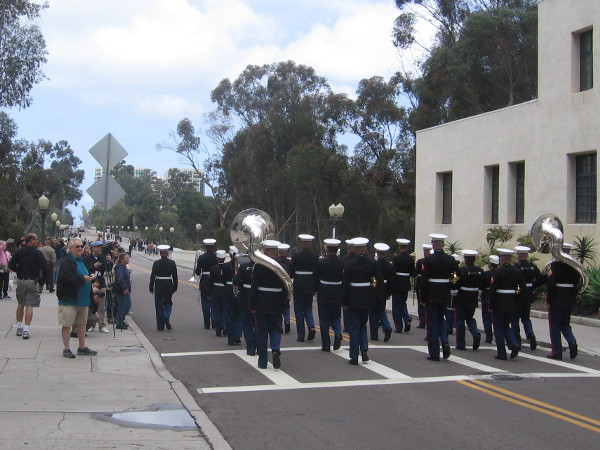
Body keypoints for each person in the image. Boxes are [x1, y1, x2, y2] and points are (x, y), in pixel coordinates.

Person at [343, 237, 383, 365]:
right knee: (362, 325)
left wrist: (344, 301)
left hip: (353, 298)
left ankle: (354, 356)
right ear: (365, 249)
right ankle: (364, 350)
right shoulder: (372, 263)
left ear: (354, 249)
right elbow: (380, 279)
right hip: (367, 298)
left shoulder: (349, 264)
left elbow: (345, 284)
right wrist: (371, 286)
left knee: (354, 327)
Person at [56, 238, 98, 358]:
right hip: (70, 299)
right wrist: (82, 278)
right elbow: (66, 277)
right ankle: (66, 348)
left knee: (81, 324)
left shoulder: (81, 260)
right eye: (77, 246)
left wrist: (91, 276)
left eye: (81, 246)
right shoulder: (66, 261)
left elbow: (83, 274)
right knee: (67, 324)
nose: (80, 248)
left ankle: (82, 347)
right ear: (71, 248)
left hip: (83, 300)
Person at [250, 240, 287, 369]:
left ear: (265, 251)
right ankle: (275, 349)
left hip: (261, 302)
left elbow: (253, 287)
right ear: (276, 251)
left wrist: (252, 305)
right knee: (276, 328)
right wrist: (284, 302)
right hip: (277, 302)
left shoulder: (259, 266)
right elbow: (287, 287)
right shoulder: (282, 266)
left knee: (262, 331)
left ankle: (263, 361)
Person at [420, 233, 458, 361]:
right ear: (443, 245)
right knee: (441, 320)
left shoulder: (428, 260)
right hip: (445, 294)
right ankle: (445, 341)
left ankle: (434, 353)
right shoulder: (450, 260)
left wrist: (423, 298)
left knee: (432, 323)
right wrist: (452, 286)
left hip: (432, 295)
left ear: (433, 245)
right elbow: (460, 275)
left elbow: (424, 280)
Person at [8, 234, 48, 339]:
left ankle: (19, 327)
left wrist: (19, 271)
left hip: (21, 280)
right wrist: (42, 280)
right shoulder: (37, 253)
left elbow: (11, 265)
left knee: (20, 304)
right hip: (32, 281)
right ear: (30, 241)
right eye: (36, 239)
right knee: (30, 305)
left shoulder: (19, 252)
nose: (38, 241)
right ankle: (26, 329)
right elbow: (44, 267)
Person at [489, 248, 526, 360]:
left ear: (502, 259)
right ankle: (513, 343)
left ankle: (502, 353)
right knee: (506, 325)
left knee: (499, 327)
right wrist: (516, 297)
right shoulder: (517, 272)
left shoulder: (497, 272)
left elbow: (493, 289)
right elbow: (523, 288)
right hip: (512, 302)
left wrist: (491, 305)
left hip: (499, 302)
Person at [546, 243, 580, 360]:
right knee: (565, 323)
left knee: (554, 325)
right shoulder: (573, 266)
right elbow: (578, 281)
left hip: (557, 299)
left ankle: (557, 352)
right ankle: (572, 342)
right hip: (569, 298)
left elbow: (551, 284)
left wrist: (549, 300)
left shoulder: (555, 266)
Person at [313, 239, 344, 352]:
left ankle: (326, 344)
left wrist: (315, 290)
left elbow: (315, 276)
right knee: (336, 316)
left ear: (327, 249)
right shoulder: (342, 263)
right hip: (337, 292)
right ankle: (338, 333)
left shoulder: (321, 262)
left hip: (324, 291)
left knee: (324, 318)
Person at [512, 246, 545, 351]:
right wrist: (532, 286)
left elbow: (513, 281)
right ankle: (530, 334)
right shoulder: (532, 266)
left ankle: (517, 340)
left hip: (518, 295)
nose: (517, 256)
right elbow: (541, 279)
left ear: (520, 255)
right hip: (528, 295)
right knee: (526, 318)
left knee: (515, 318)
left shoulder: (516, 266)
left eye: (518, 254)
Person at [289, 234, 319, 342]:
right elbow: (317, 274)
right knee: (308, 308)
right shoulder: (315, 257)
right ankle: (311, 326)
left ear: (302, 244)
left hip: (299, 285)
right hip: (310, 285)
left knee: (298, 310)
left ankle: (301, 335)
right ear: (310, 244)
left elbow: (291, 272)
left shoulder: (296, 256)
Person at [455, 250, 484, 350]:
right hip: (473, 296)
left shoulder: (462, 270)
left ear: (466, 260)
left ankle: (461, 343)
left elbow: (457, 282)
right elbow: (483, 283)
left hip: (462, 296)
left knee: (460, 319)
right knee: (470, 318)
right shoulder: (480, 270)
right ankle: (475, 333)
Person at [149, 245, 178, 331]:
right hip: (168, 284)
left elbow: (153, 276)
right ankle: (166, 316)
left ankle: (160, 326)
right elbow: (175, 276)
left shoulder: (156, 263)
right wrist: (175, 286)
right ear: (167, 253)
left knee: (158, 305)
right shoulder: (172, 263)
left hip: (159, 285)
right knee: (168, 303)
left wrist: (151, 286)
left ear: (160, 254)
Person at [83, 241, 110, 333]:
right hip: (90, 283)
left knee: (101, 306)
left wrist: (109, 261)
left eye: (101, 248)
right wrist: (93, 267)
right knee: (91, 306)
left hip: (101, 283)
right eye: (98, 247)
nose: (100, 249)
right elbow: (85, 270)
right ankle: (91, 324)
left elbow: (108, 269)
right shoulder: (87, 258)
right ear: (93, 248)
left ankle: (102, 325)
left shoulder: (102, 258)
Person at [234, 253, 257, 356]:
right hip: (258, 297)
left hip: (245, 298)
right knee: (258, 325)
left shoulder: (243, 267)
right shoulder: (262, 267)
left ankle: (251, 347)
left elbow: (236, 280)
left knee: (247, 324)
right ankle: (260, 346)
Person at [370, 243, 393, 342]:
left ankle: (374, 335)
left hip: (374, 289)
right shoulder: (389, 265)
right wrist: (389, 293)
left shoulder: (373, 264)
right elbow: (391, 280)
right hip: (384, 290)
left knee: (373, 312)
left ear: (377, 253)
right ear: (385, 253)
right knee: (381, 311)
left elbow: (371, 278)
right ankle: (386, 326)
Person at [391, 238, 415, 333]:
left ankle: (399, 326)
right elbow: (413, 273)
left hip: (397, 283)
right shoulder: (410, 259)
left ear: (399, 247)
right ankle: (407, 318)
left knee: (396, 305)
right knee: (402, 303)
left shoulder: (396, 258)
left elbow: (393, 272)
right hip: (406, 283)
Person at [195, 238, 217, 329]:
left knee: (205, 303)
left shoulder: (201, 257)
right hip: (215, 281)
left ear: (205, 247)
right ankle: (214, 319)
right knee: (214, 302)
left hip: (204, 280)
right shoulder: (217, 257)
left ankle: (207, 323)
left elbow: (197, 272)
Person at [413, 244, 432, 328]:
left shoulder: (420, 262)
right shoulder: (431, 261)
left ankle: (422, 321)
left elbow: (415, 273)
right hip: (430, 284)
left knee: (421, 303)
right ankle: (427, 320)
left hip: (421, 284)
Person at [480, 255, 499, 343]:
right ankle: (499, 336)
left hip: (487, 294)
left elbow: (481, 285)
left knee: (486, 317)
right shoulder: (500, 273)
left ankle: (489, 337)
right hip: (498, 295)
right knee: (497, 318)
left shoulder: (486, 273)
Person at [276, 243, 292, 334]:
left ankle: (280, 325)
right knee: (286, 305)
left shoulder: (275, 262)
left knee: (278, 306)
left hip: (278, 286)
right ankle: (287, 321)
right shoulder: (289, 263)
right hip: (286, 286)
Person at [114, 252, 132, 330]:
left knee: (127, 306)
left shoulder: (124, 267)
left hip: (127, 290)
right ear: (121, 259)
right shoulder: (119, 267)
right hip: (121, 290)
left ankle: (121, 319)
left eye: (128, 258)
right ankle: (119, 322)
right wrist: (124, 288)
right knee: (122, 306)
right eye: (126, 258)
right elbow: (120, 279)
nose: (127, 259)